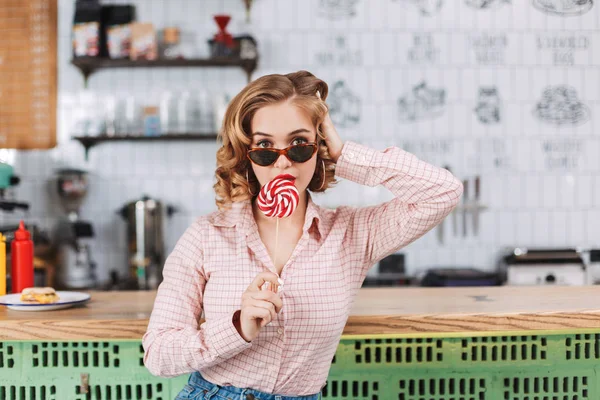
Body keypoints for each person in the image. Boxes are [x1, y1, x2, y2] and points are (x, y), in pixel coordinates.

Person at [142, 70, 463, 400]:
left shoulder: (353, 234)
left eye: (298, 144)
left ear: (318, 145)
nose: (282, 164)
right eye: (265, 146)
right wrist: (238, 327)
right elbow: (158, 354)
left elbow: (443, 191)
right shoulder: (206, 235)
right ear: (246, 153)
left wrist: (343, 154)